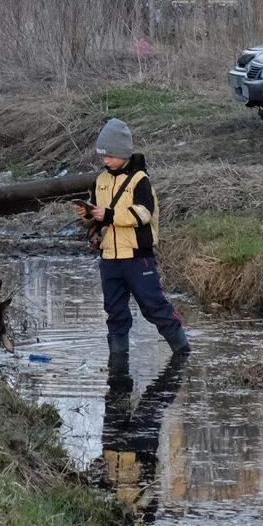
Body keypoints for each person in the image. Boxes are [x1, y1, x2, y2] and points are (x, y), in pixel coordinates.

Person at [77, 118, 190, 393]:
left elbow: (143, 214)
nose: (106, 160)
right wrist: (88, 215)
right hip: (109, 258)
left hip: (138, 257)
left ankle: (183, 352)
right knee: (114, 311)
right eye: (103, 155)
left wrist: (110, 215)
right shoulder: (100, 180)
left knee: (153, 306)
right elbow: (98, 215)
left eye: (111, 155)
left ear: (124, 153)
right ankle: (118, 363)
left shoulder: (140, 180)